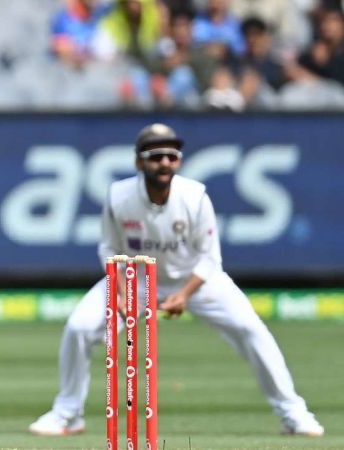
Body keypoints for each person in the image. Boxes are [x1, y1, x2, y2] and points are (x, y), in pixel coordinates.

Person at [28, 123, 324, 437]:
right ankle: (67, 414)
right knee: (80, 327)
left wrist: (184, 294)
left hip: (195, 279)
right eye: (156, 156)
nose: (165, 163)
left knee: (252, 330)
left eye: (172, 156)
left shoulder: (194, 197)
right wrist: (118, 289)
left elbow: (210, 258)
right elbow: (108, 246)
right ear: (139, 162)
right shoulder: (119, 196)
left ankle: (293, 414)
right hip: (136, 279)